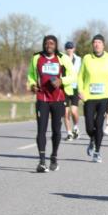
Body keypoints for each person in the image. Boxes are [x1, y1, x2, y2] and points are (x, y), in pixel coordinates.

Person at [27, 35, 74, 172]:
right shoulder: (36, 58)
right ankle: (42, 161)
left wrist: (61, 81)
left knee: (56, 130)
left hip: (58, 98)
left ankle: (53, 156)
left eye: (52, 43)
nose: (49, 45)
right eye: (47, 43)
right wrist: (32, 84)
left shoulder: (62, 58)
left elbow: (73, 75)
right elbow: (30, 74)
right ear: (43, 45)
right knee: (41, 129)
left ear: (56, 45)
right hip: (42, 97)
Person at [78, 34, 108, 162]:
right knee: (89, 126)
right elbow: (80, 76)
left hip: (104, 97)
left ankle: (97, 152)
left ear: (103, 45)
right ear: (92, 45)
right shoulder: (87, 58)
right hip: (89, 97)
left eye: (99, 42)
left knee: (99, 124)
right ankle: (92, 139)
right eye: (94, 42)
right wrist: (80, 91)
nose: (96, 44)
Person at [62, 41, 82, 141]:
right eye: (68, 48)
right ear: (66, 49)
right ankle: (69, 133)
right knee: (65, 112)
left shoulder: (79, 60)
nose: (69, 49)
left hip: (75, 88)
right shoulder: (62, 59)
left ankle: (76, 127)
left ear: (74, 49)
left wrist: (81, 89)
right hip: (65, 88)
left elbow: (81, 74)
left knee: (74, 111)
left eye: (71, 48)